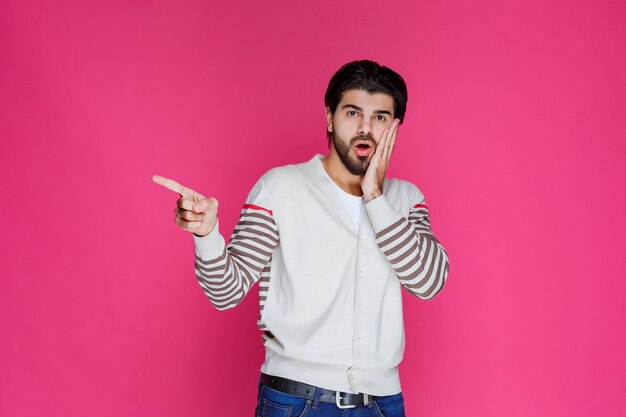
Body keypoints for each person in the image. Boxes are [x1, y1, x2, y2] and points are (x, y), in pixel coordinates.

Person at [153, 60, 449, 417]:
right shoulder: (281, 188)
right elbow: (226, 292)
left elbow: (429, 283)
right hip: (296, 402)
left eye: (381, 117)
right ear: (330, 117)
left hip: (383, 404)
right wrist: (206, 234)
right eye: (353, 112)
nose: (366, 129)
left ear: (395, 127)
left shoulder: (405, 198)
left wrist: (374, 196)